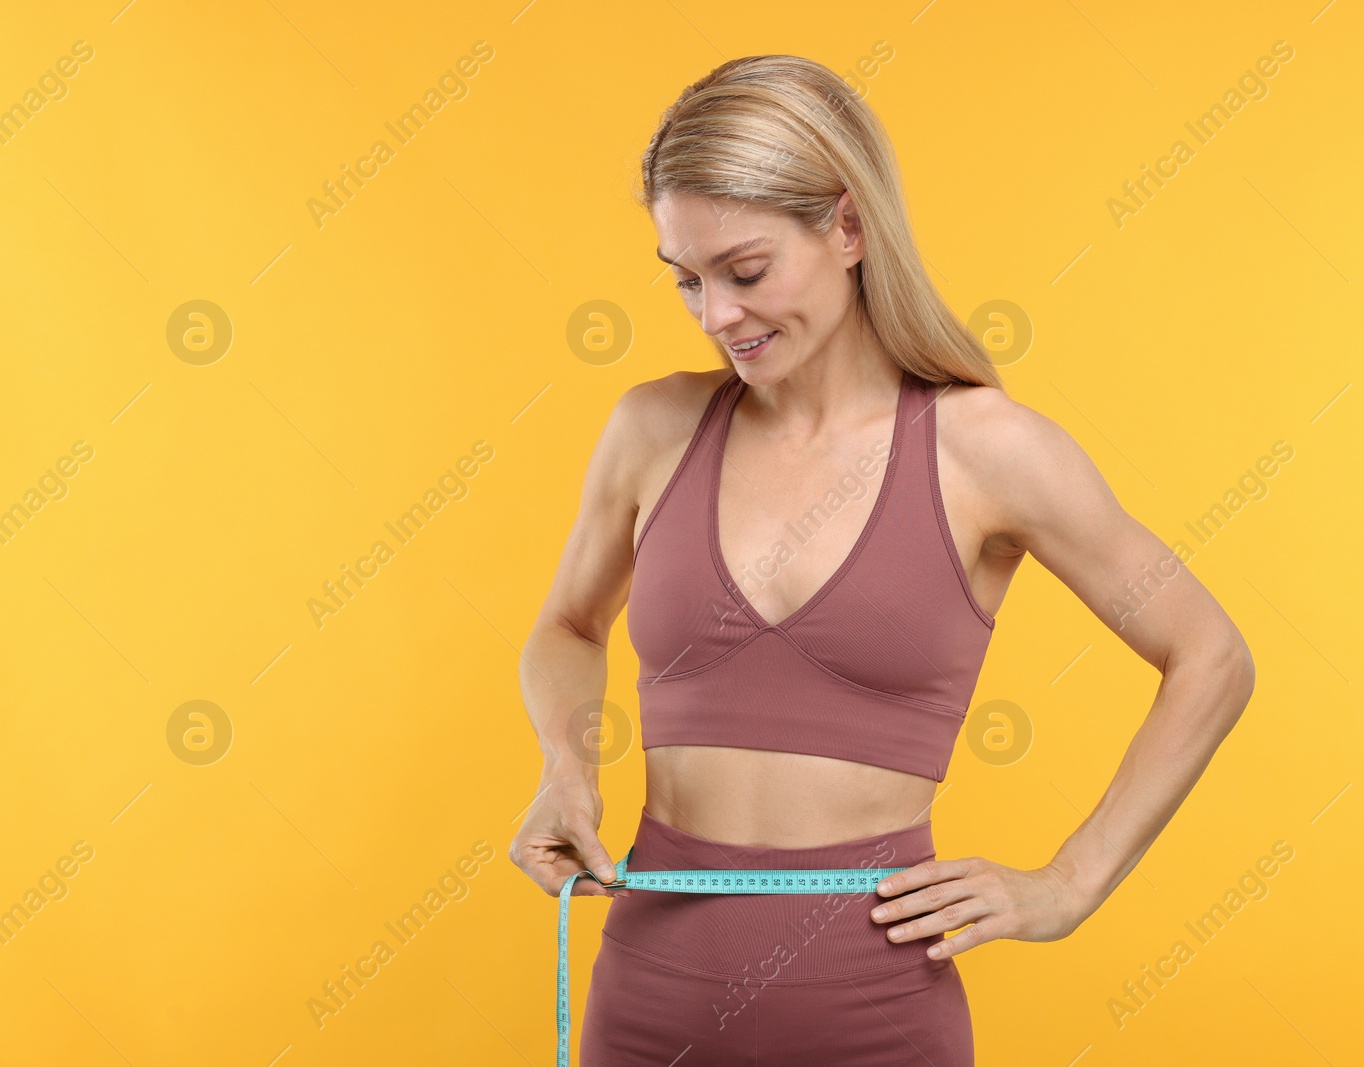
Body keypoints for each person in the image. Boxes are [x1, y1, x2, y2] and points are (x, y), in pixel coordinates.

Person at [511, 54, 1254, 1065]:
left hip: (874, 1008)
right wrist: (566, 770)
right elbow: (567, 624)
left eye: (746, 270)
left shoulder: (988, 451)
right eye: (684, 278)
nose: (713, 313)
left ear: (848, 229)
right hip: (649, 999)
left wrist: (1070, 881)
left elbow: (1209, 654)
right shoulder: (653, 427)